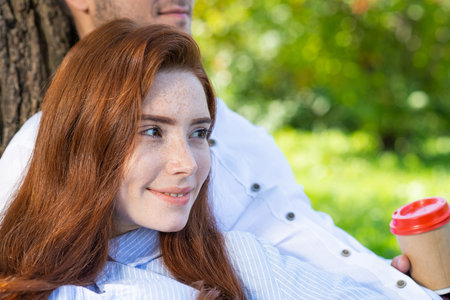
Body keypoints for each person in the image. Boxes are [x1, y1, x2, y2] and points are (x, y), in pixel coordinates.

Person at [0, 1, 441, 299]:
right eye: (151, 131)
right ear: (81, 144)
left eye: (200, 134)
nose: (188, 163)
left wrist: (378, 277)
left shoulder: (237, 253)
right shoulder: (36, 155)